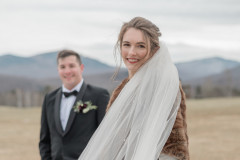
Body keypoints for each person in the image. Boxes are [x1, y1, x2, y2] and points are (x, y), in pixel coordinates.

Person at [78, 17, 189, 160]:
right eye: (127, 44)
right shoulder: (121, 91)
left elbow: (174, 150)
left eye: (140, 46)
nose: (131, 52)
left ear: (154, 50)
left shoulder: (163, 88)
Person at [39, 50, 110, 160]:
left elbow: (105, 136)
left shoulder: (99, 95)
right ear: (58, 70)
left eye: (71, 66)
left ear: (81, 68)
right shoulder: (49, 98)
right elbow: (45, 140)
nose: (67, 71)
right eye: (62, 67)